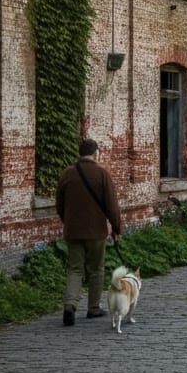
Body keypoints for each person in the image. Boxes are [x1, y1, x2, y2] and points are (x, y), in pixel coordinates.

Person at [55, 138, 123, 326]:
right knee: (96, 268)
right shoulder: (102, 174)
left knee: (75, 269)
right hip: (96, 231)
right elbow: (112, 205)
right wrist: (117, 227)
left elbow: (59, 203)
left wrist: (67, 220)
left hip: (73, 230)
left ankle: (70, 305)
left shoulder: (67, 174)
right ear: (96, 153)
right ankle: (93, 307)